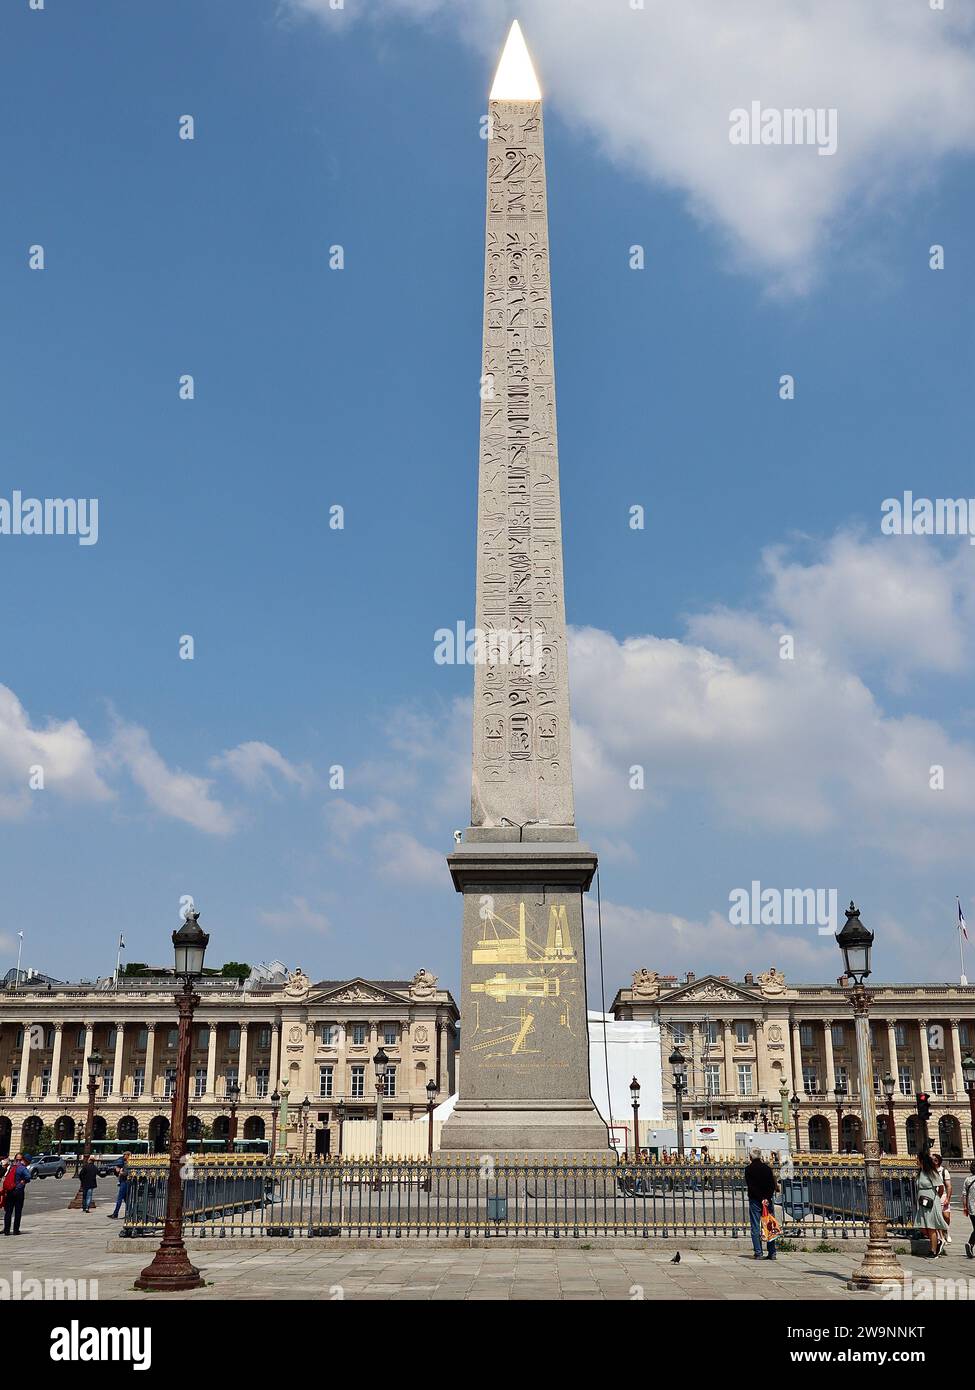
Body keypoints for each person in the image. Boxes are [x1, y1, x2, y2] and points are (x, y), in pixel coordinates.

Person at [745, 1148, 779, 1260]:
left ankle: (758, 1252)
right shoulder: (767, 1169)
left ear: (750, 1157)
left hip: (755, 1200)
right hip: (767, 1200)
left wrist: (760, 1198)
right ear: (760, 1156)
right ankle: (772, 1252)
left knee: (755, 1226)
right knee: (769, 1225)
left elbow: (751, 1186)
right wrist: (766, 1198)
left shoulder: (748, 1169)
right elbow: (771, 1185)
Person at [914, 1150, 948, 1257]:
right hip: (922, 1202)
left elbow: (941, 1187)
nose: (916, 1160)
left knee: (930, 1226)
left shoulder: (931, 1172)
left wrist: (936, 1197)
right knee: (922, 1226)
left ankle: (933, 1250)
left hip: (931, 1201)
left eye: (917, 1158)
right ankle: (937, 1241)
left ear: (922, 1160)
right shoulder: (920, 1172)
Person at [2, 1153, 31, 1235]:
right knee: (18, 1212)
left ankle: (7, 1231)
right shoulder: (22, 1168)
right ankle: (15, 1230)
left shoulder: (11, 1167)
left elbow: (5, 1177)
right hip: (18, 1192)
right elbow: (28, 1177)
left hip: (9, 1191)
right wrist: (23, 1181)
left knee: (8, 1212)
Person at [933, 1153, 952, 1242]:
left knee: (946, 1216)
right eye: (932, 1160)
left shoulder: (944, 1171)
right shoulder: (930, 1171)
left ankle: (946, 1231)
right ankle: (941, 1236)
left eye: (935, 1159)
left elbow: (948, 1186)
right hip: (934, 1196)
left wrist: (948, 1198)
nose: (934, 1161)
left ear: (939, 1161)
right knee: (938, 1217)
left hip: (943, 1195)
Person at [107, 1153, 131, 1220]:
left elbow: (126, 1173)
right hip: (125, 1182)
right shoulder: (126, 1163)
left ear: (127, 1156)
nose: (123, 1157)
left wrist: (120, 1172)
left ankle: (116, 1213)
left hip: (124, 1182)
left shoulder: (126, 1164)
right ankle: (129, 1213)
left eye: (125, 1155)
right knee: (126, 1199)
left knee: (119, 1198)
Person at [962, 1160, 975, 1260]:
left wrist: (965, 1207)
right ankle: (970, 1243)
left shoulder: (968, 1180)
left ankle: (970, 1244)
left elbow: (964, 1195)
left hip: (971, 1208)